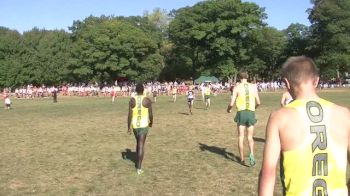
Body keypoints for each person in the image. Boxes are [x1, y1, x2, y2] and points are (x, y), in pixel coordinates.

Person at [259, 56, 350, 195]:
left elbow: (268, 172)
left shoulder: (279, 118)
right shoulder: (344, 114)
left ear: (286, 83)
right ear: (317, 80)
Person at [227, 71, 260, 166]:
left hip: (241, 113)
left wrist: (228, 109)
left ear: (239, 78)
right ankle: (252, 155)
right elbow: (258, 102)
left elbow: (232, 103)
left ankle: (241, 159)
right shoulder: (253, 86)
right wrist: (253, 109)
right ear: (247, 77)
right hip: (251, 112)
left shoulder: (236, 87)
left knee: (241, 136)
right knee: (250, 137)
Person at [127, 83, 153, 175]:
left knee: (138, 143)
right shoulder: (147, 100)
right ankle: (138, 167)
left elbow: (129, 115)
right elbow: (151, 114)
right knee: (141, 144)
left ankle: (138, 163)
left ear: (136, 90)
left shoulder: (132, 100)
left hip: (135, 125)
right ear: (143, 90)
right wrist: (151, 122)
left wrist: (128, 127)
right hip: (143, 125)